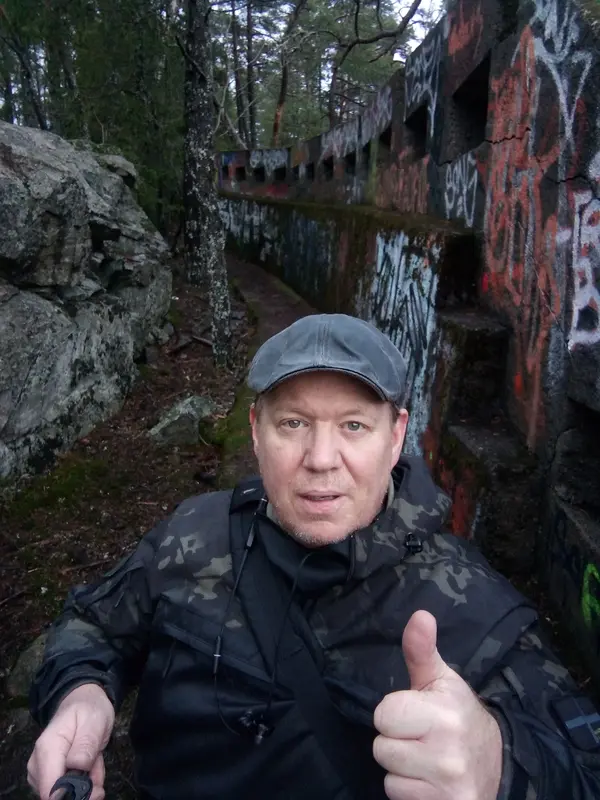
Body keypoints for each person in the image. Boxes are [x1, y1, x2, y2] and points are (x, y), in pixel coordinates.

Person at [27, 314, 600, 800]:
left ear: (395, 436)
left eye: (353, 425)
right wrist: (83, 694)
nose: (321, 458)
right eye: (294, 423)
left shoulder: (476, 610)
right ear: (256, 431)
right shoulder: (192, 533)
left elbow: (584, 767)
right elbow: (94, 623)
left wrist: (499, 765)